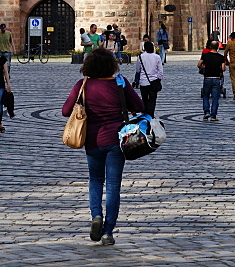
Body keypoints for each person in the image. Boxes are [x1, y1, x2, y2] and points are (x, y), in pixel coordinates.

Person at [62, 47, 143, 246]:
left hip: (92, 141)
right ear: (111, 65)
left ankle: (96, 215)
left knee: (95, 180)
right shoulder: (119, 84)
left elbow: (65, 111)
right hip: (116, 141)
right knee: (114, 186)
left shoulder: (83, 85)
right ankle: (108, 232)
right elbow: (140, 107)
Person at [198, 41, 227, 121]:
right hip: (216, 78)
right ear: (217, 47)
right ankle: (213, 115)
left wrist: (204, 68)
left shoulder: (205, 55)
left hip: (207, 78)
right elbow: (223, 68)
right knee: (215, 98)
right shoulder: (221, 57)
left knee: (206, 96)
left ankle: (206, 112)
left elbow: (199, 65)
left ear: (210, 47)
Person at [135, 40, 163, 115]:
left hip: (144, 81)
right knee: (152, 100)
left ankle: (145, 113)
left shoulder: (140, 57)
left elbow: (138, 69)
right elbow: (160, 70)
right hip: (154, 81)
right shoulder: (157, 57)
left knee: (144, 99)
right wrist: (159, 79)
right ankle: (151, 114)